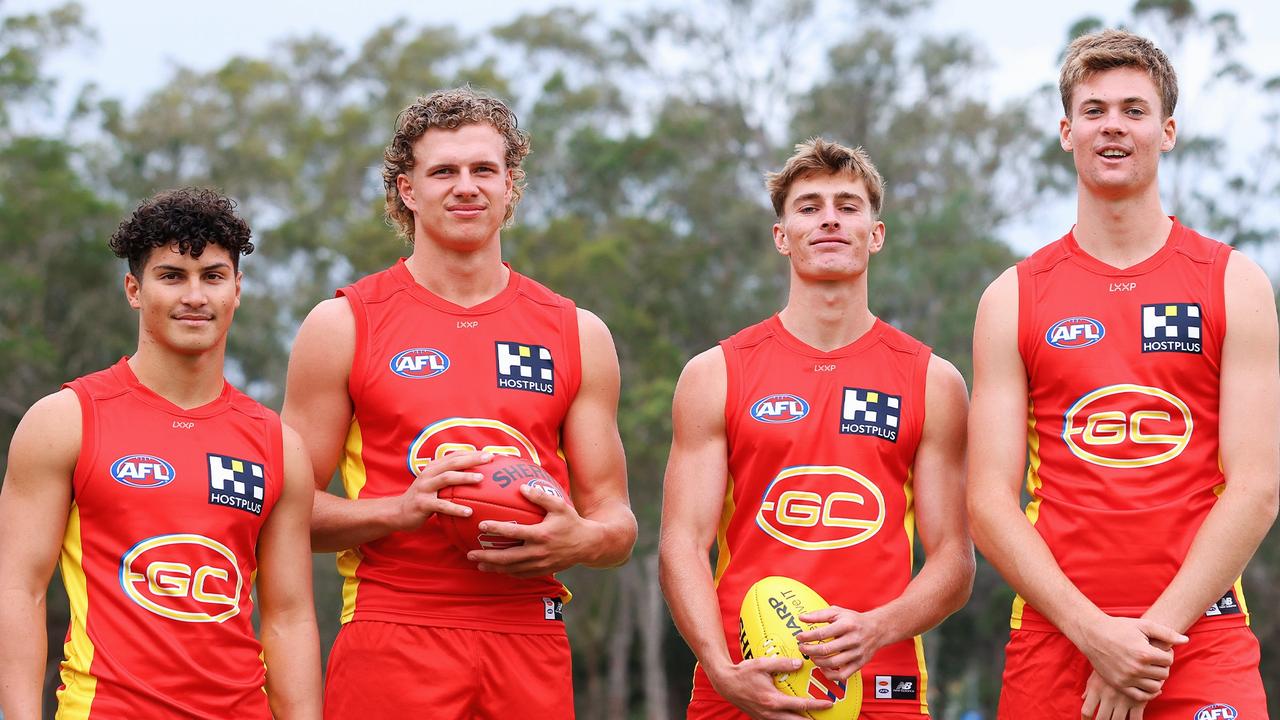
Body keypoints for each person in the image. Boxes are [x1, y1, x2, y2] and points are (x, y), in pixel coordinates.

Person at [282, 86, 636, 719]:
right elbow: (286, 513)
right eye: (443, 171)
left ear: (511, 186)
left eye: (484, 170)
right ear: (407, 190)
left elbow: (617, 524)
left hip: (529, 629)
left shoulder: (576, 332)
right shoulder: (344, 325)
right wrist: (399, 510)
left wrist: (578, 540)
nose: (465, 186)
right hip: (395, 626)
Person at [967, 29, 1278, 720]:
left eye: (1134, 110)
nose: (1114, 125)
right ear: (1066, 130)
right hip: (1056, 640)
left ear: (1166, 131)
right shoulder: (1013, 298)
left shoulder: (1232, 282)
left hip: (1199, 639)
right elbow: (989, 501)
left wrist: (1143, 642)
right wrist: (1092, 632)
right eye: (1095, 109)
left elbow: (1256, 488)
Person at [660, 138, 974, 720]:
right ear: (782, 237)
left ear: (875, 235)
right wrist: (722, 669)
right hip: (744, 682)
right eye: (808, 207)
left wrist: (878, 628)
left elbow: (954, 560)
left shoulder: (932, 380)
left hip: (882, 685)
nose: (829, 218)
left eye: (848, 206)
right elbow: (682, 543)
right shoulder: (715, 374)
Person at [0, 188, 323, 719]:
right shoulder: (66, 420)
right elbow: (20, 591)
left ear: (236, 289)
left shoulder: (276, 444)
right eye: (172, 275)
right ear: (134, 288)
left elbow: (289, 618)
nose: (194, 295)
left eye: (213, 276)